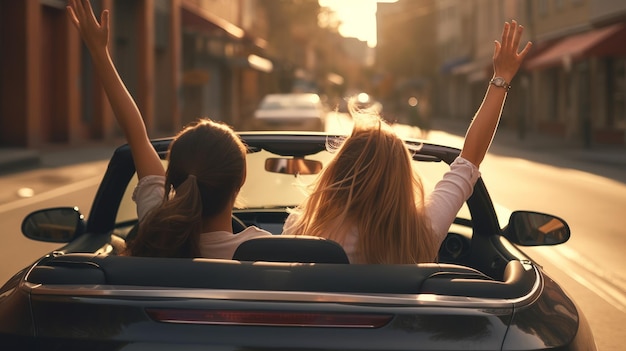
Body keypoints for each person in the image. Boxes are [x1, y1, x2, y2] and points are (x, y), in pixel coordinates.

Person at [283, 21, 532, 264]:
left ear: (340, 171)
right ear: (400, 177)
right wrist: (502, 77)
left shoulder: (302, 226)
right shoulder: (420, 233)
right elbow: (469, 159)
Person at [67, 0, 271, 258]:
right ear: (241, 178)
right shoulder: (262, 249)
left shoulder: (156, 232)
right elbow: (138, 135)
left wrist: (99, 52)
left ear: (172, 177)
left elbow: (137, 136)